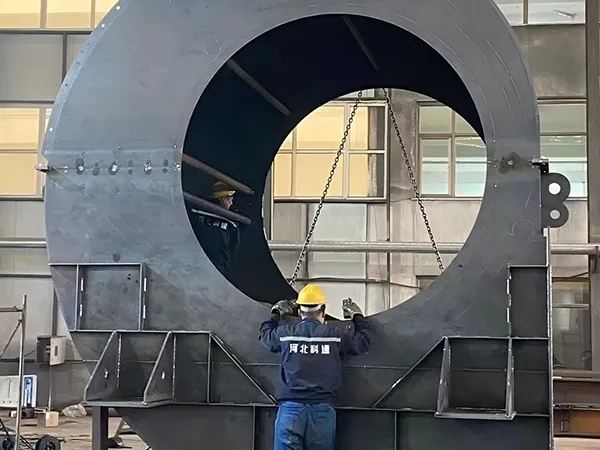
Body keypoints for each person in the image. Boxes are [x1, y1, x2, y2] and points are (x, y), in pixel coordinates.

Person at [259, 284, 373, 450]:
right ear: (323, 311)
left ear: (299, 312)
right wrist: (357, 316)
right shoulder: (335, 337)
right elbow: (362, 342)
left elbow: (265, 335)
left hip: (291, 411)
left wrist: (276, 313)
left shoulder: (285, 335)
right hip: (321, 412)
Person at [187, 181, 242, 276]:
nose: (231, 203)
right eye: (230, 199)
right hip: (218, 269)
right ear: (223, 199)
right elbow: (233, 249)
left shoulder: (196, 215)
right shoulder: (231, 224)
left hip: (196, 267)